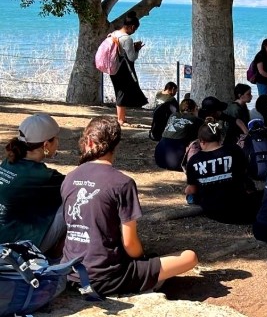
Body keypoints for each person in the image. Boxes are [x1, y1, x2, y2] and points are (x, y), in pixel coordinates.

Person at [61, 116, 198, 296]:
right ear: (116, 145)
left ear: (88, 142)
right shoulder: (122, 183)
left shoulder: (69, 178)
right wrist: (141, 259)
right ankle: (145, 282)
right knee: (190, 257)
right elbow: (130, 244)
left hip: (70, 273)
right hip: (105, 278)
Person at [0, 113, 65, 256]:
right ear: (46, 145)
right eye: (56, 138)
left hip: (4, 234)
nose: (58, 141)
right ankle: (63, 258)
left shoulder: (8, 162)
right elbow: (75, 183)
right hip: (13, 248)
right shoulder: (41, 176)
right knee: (74, 201)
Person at [184, 119, 262, 224]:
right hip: (240, 207)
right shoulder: (234, 150)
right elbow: (243, 175)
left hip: (213, 211)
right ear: (220, 138)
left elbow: (191, 190)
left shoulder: (194, 160)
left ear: (201, 141)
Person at [109, 11, 149, 125]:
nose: (134, 31)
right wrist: (137, 49)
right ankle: (121, 119)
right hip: (123, 69)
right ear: (132, 27)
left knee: (119, 91)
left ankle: (121, 118)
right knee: (122, 93)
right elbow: (132, 58)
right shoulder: (127, 39)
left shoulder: (115, 33)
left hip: (113, 66)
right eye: (135, 29)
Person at [154, 98, 202, 171]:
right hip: (177, 162)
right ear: (194, 109)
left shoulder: (173, 115)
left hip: (159, 158)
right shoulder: (197, 120)